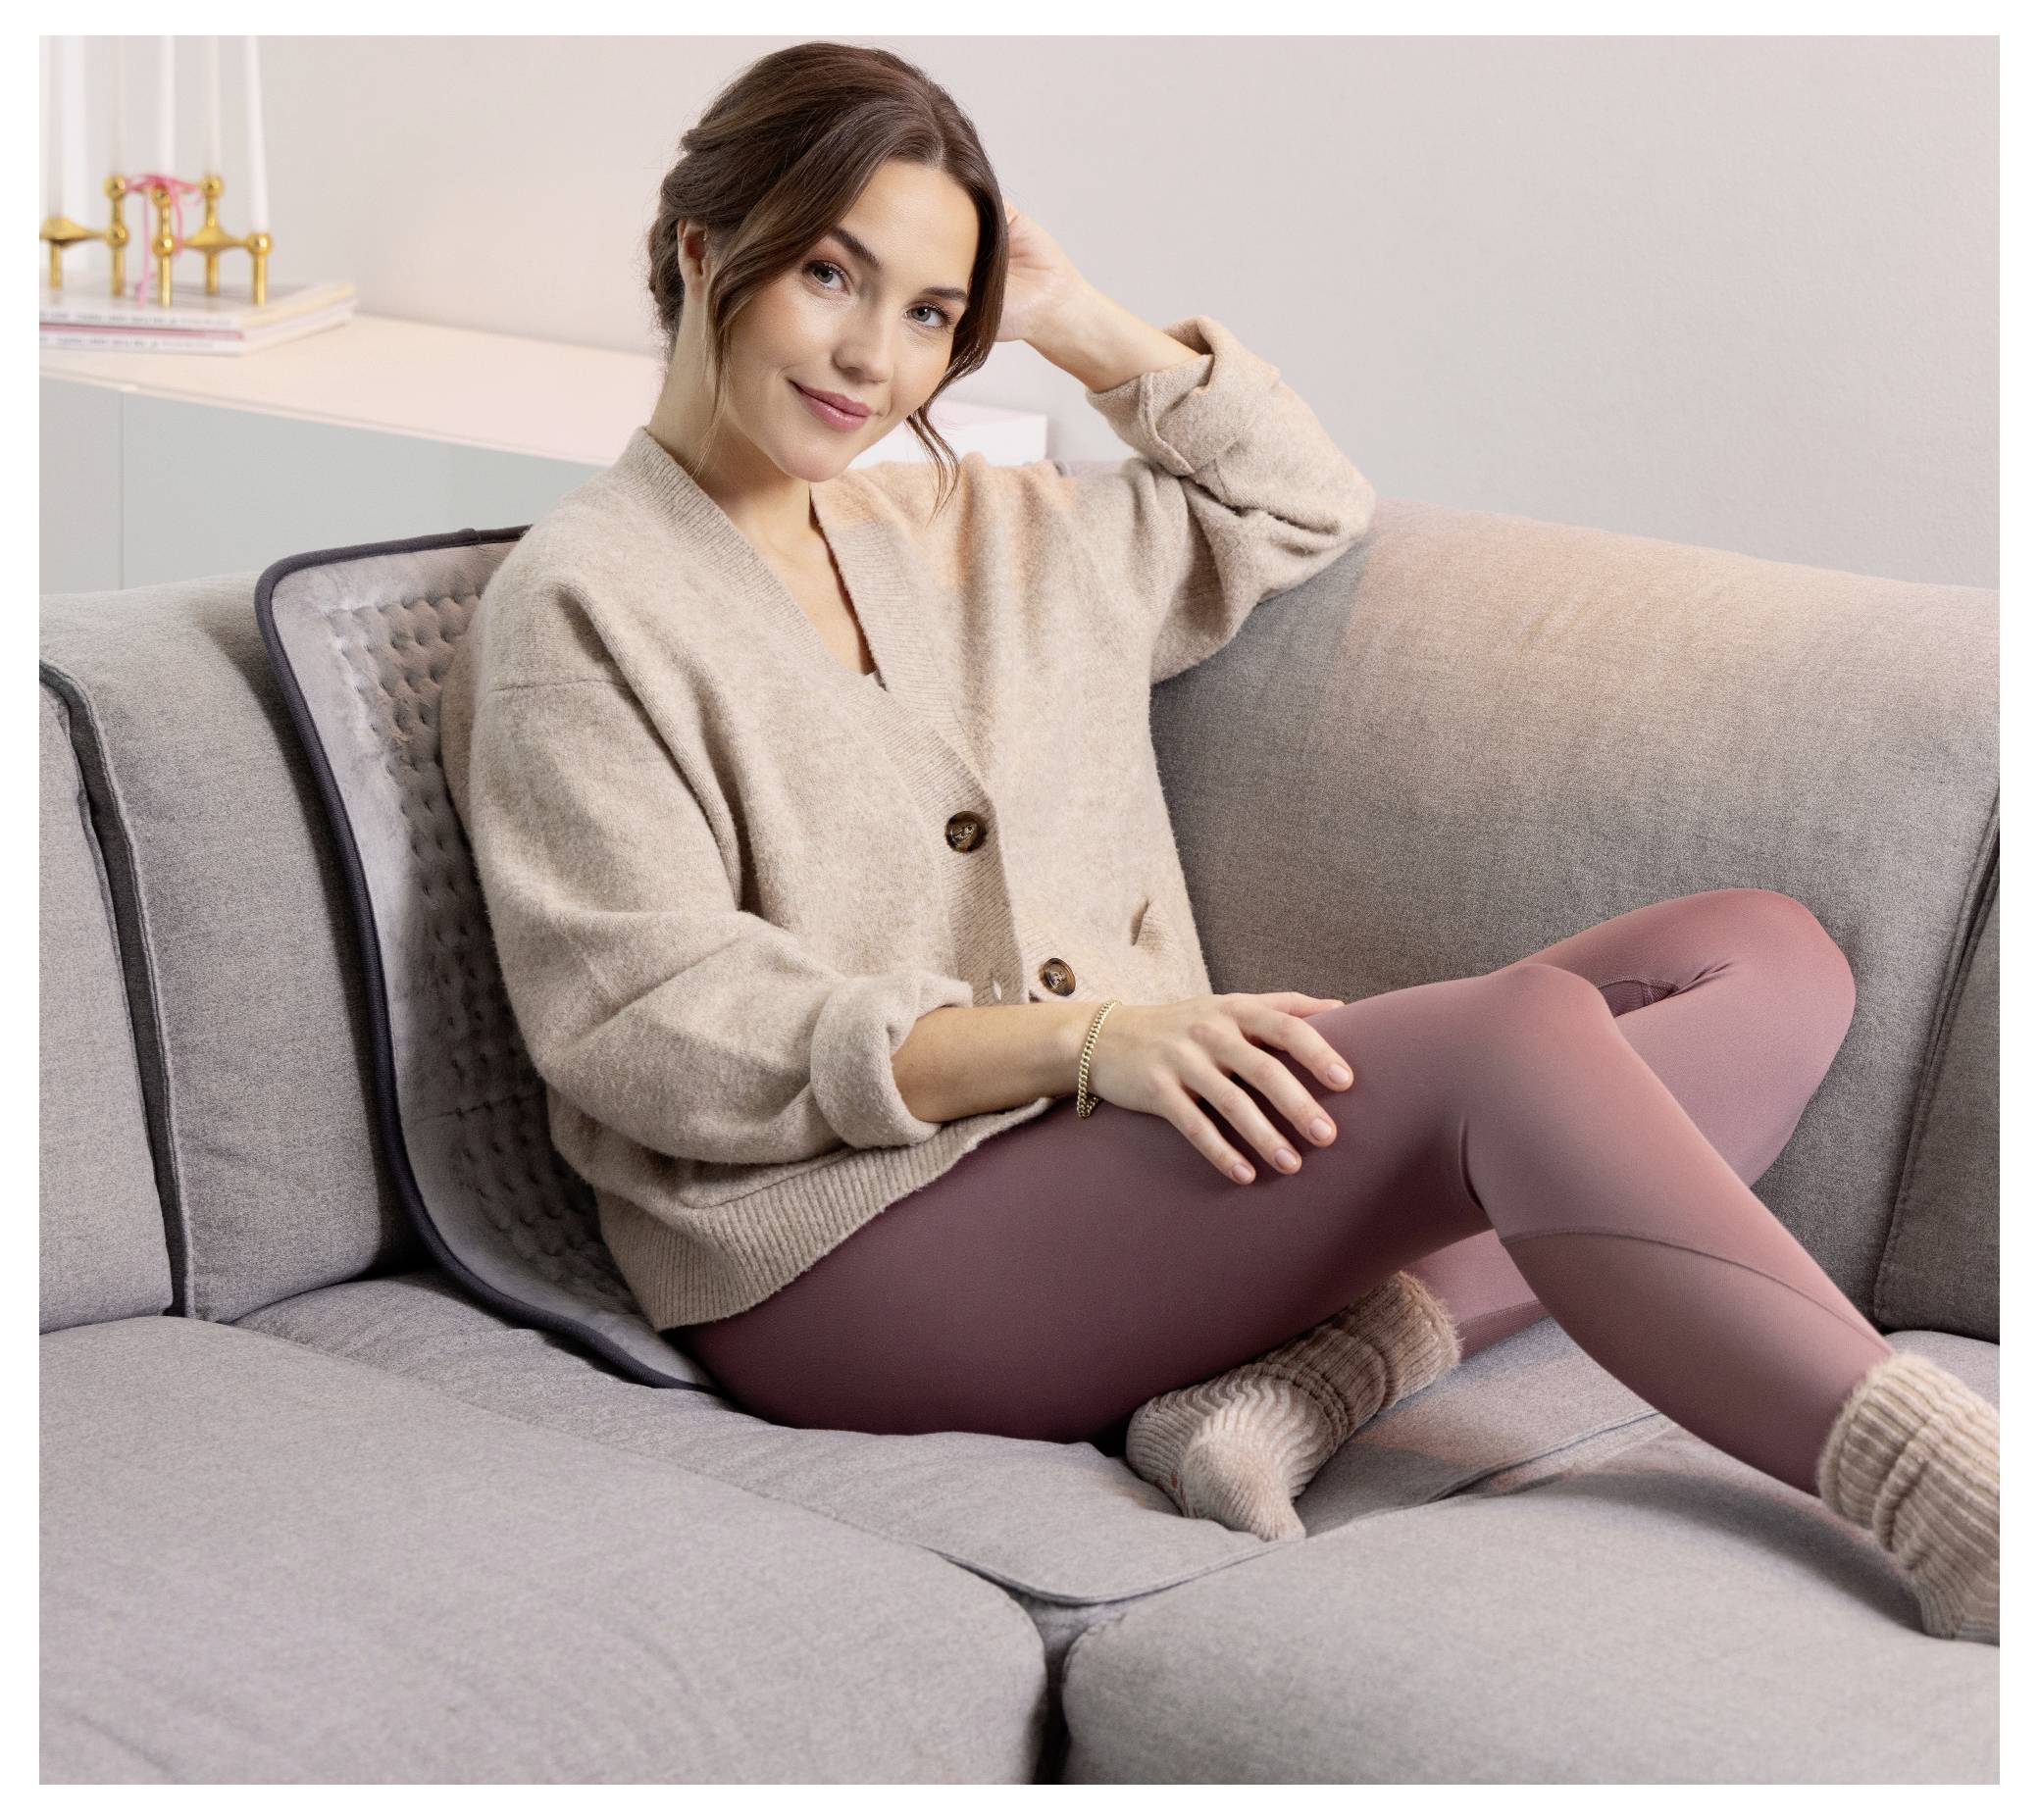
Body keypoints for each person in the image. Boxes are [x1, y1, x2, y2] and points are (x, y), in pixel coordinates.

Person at [437, 41, 1998, 1644]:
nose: (871, 358)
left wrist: (1064, 313)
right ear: (704, 249)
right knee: (1519, 1044)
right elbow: (643, 1023)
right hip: (838, 1259)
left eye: (925, 314)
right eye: (830, 274)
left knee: (1766, 956)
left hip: (1113, 1174)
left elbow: (1305, 506)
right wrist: (1092, 1041)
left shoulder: (992, 530)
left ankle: (1308, 1383)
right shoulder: (586, 604)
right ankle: (1953, 1497)